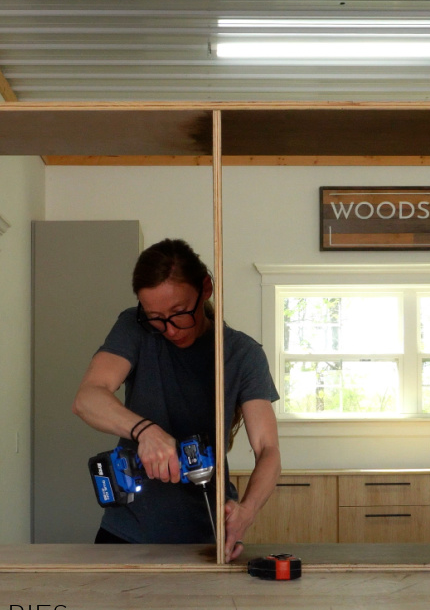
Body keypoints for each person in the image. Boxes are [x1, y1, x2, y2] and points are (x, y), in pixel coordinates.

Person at [72, 238, 280, 561]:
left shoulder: (242, 354)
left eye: (179, 313)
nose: (168, 329)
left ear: (206, 289)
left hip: (205, 541)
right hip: (127, 534)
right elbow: (87, 398)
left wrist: (247, 511)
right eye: (155, 316)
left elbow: (268, 450)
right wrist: (145, 431)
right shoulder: (135, 328)